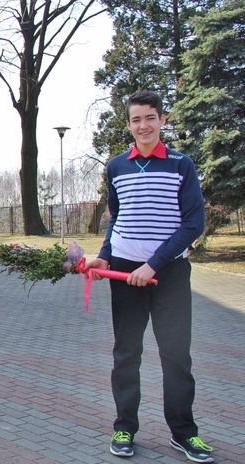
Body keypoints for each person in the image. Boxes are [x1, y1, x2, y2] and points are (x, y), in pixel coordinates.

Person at [84, 91, 212, 462]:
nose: (144, 125)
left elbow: (194, 223)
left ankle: (184, 433)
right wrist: (104, 257)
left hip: (168, 272)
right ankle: (124, 428)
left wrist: (153, 264)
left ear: (162, 120)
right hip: (124, 272)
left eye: (150, 118)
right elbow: (117, 219)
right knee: (126, 354)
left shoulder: (180, 164)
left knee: (176, 356)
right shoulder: (117, 167)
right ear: (128, 125)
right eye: (137, 119)